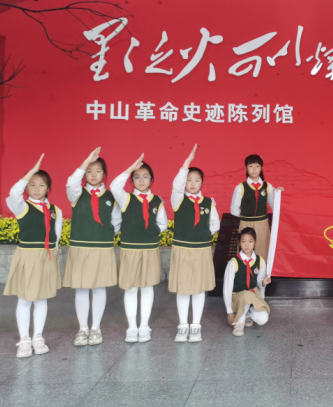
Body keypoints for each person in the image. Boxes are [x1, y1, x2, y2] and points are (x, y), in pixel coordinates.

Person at [3, 155, 62, 358]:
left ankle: (38, 337)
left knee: (41, 298)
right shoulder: (21, 206)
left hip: (46, 257)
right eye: (32, 184)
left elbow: (56, 236)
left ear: (48, 188)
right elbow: (13, 192)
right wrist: (31, 172)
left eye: (42, 185)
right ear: (27, 187)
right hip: (27, 256)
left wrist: (53, 256)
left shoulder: (55, 211)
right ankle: (24, 340)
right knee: (25, 299)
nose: (37, 189)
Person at [64, 147, 120, 347]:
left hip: (102, 247)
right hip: (80, 247)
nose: (93, 175)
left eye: (98, 171)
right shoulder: (77, 194)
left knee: (98, 287)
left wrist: (104, 236)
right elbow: (71, 183)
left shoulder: (111, 197)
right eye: (89, 171)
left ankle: (95, 328)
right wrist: (85, 162)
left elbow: (116, 222)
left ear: (104, 174)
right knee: (81, 288)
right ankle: (82, 329)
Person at [111, 154, 168, 343]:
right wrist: (129, 168)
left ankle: (144, 325)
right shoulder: (126, 199)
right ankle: (131, 327)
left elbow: (163, 224)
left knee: (147, 287)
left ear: (151, 179)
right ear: (132, 180)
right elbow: (114, 187)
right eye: (137, 177)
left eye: (145, 176)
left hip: (150, 249)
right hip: (130, 250)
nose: (141, 180)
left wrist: (150, 232)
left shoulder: (157, 201)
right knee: (131, 288)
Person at [170, 144, 219, 343]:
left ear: (202, 183)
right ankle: (183, 325)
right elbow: (176, 186)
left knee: (199, 288)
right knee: (183, 288)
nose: (192, 183)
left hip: (201, 249)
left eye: (196, 180)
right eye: (189, 180)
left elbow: (214, 224)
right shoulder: (178, 199)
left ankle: (196, 325)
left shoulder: (209, 202)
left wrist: (202, 235)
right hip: (182, 248)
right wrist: (186, 164)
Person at [230, 155, 283, 260]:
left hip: (262, 225)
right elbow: (234, 210)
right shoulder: (240, 187)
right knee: (246, 251)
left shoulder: (267, 186)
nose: (254, 169)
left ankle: (262, 270)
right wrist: (246, 216)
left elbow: (274, 205)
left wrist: (279, 193)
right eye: (251, 166)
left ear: (261, 168)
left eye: (257, 166)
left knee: (263, 251)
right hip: (246, 224)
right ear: (245, 168)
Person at [223, 228, 271, 337]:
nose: (247, 245)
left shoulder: (260, 261)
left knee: (263, 319)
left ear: (255, 242)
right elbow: (227, 288)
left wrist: (263, 283)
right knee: (246, 294)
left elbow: (259, 282)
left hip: (254, 296)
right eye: (243, 241)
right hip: (238, 297)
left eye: (250, 241)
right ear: (239, 243)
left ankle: (247, 314)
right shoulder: (234, 262)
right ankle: (239, 322)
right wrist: (229, 311)